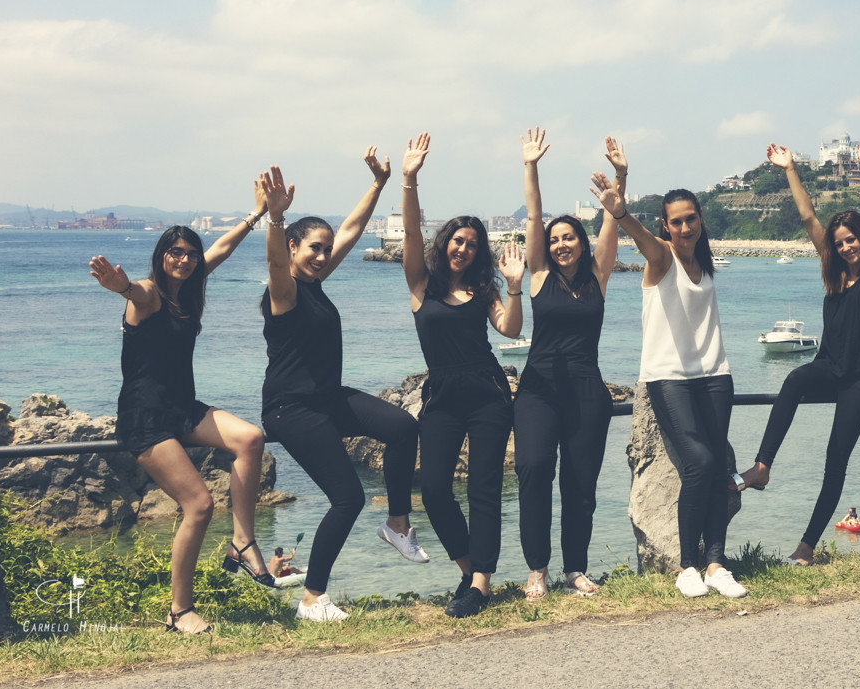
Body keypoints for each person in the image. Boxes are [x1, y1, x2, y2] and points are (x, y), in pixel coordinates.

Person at [88, 189, 271, 635]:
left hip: (182, 407)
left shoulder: (190, 289)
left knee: (250, 438)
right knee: (199, 504)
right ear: (161, 255)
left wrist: (257, 214)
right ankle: (179, 611)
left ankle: (242, 542)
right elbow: (135, 290)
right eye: (176, 252)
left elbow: (222, 248)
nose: (185, 260)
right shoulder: (149, 294)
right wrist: (120, 287)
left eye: (190, 254)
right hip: (145, 416)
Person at [258, 151, 425, 622]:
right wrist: (276, 217)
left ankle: (396, 524)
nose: (323, 255)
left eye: (325, 249)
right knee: (348, 497)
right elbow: (273, 263)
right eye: (313, 247)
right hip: (291, 409)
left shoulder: (314, 281)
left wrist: (377, 184)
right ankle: (312, 599)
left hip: (327, 399)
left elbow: (348, 232)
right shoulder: (284, 291)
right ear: (292, 248)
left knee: (402, 427)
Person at [734, 138, 860, 567]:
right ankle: (762, 467)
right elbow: (807, 216)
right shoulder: (834, 277)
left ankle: (806, 546)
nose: (845, 247)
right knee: (792, 379)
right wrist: (789, 168)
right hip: (829, 366)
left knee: (834, 459)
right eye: (839, 242)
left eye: (851, 240)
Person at [592, 176, 746, 599]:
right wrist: (620, 211)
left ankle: (716, 563)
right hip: (668, 378)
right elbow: (642, 240)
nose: (685, 228)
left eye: (691, 219)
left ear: (700, 220)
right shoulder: (661, 258)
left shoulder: (705, 262)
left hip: (715, 376)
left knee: (717, 465)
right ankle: (687, 566)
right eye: (675, 222)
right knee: (698, 462)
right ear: (665, 225)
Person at [398, 133, 527, 618]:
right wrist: (409, 180)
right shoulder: (421, 286)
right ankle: (467, 569)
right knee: (433, 489)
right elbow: (410, 234)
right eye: (458, 239)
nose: (464, 248)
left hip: (489, 393)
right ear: (445, 241)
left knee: (483, 489)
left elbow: (510, 330)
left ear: (479, 253)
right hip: (442, 396)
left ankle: (481, 584)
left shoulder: (484, 291)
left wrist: (515, 288)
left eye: (473, 245)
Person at [514, 129, 628, 600]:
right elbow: (536, 215)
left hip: (587, 393)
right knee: (535, 470)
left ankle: (575, 569)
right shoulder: (538, 274)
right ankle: (537, 568)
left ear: (582, 244)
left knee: (581, 484)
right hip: (538, 390)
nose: (561, 244)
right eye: (555, 239)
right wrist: (531, 166)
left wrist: (621, 175)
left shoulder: (599, 275)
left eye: (569, 238)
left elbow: (612, 219)